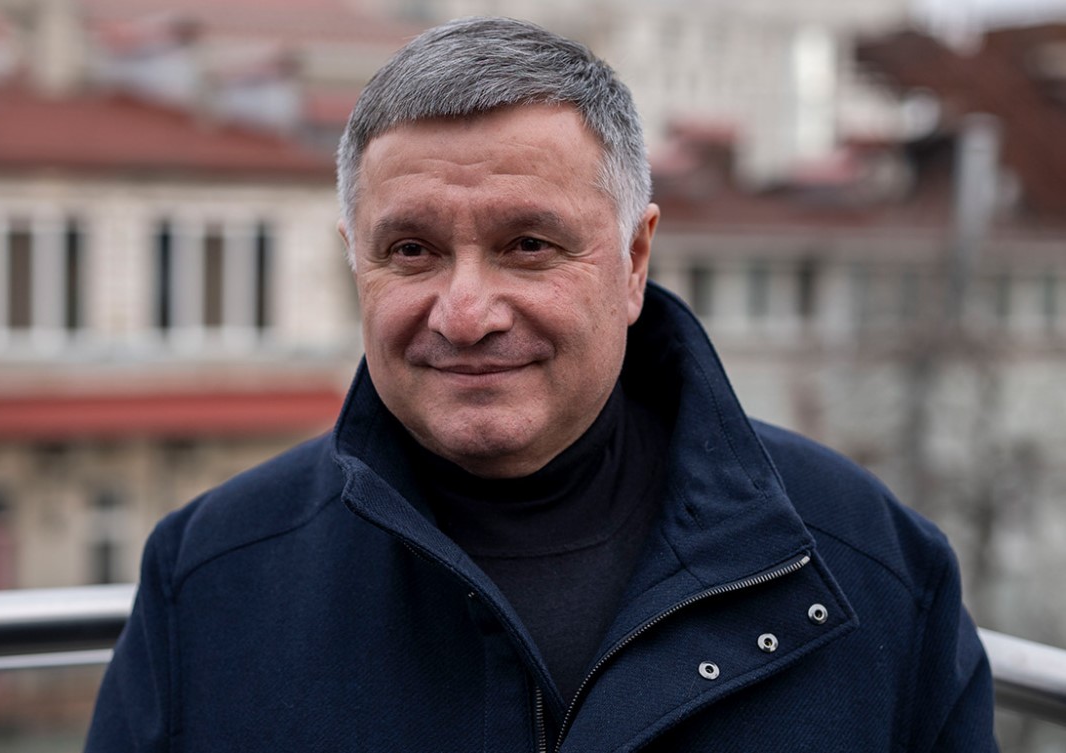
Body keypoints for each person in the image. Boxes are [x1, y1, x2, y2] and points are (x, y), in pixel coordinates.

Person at [86, 16, 998, 752]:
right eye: (412, 250)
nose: (465, 312)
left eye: (528, 245)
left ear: (634, 260)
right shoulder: (210, 579)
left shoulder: (873, 570)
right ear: (354, 263)